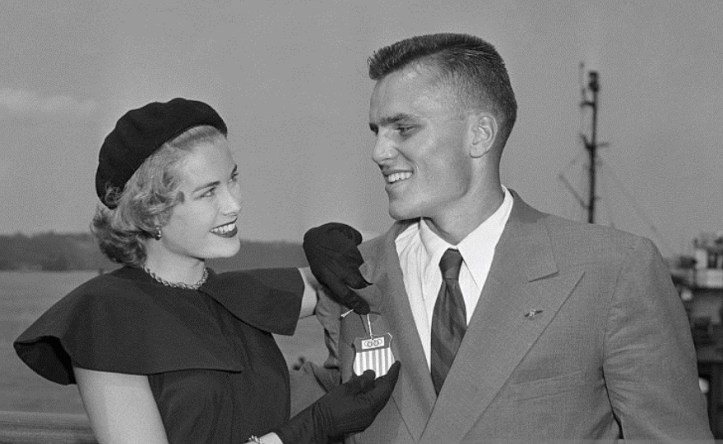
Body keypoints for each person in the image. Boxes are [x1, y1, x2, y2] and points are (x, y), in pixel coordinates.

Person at [299, 33, 713, 441]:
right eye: (377, 131)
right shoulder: (354, 275)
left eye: (403, 128)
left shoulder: (612, 271)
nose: (378, 152)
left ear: (479, 134)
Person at [14, 98, 399, 444]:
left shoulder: (241, 295)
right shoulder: (105, 316)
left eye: (233, 178)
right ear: (152, 211)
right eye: (208, 192)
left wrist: (336, 241)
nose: (234, 204)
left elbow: (358, 276)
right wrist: (308, 430)